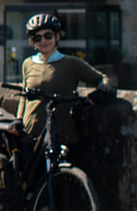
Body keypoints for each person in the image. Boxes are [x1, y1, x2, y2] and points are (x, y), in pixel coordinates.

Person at [18, 12, 111, 146]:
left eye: (48, 36)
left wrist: (101, 91)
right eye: (38, 38)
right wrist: (18, 119)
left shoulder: (71, 63)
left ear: (57, 37)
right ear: (33, 42)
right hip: (30, 135)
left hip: (60, 136)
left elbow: (103, 78)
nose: (43, 41)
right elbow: (24, 96)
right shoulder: (28, 63)